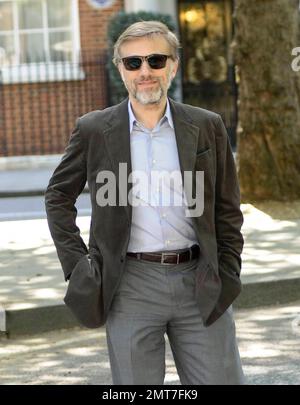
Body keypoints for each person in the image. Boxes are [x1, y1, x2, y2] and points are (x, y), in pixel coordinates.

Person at [45, 21, 245, 385]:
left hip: (199, 279)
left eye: (155, 60)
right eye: (133, 62)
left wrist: (227, 268)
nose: (145, 71)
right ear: (120, 69)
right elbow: (58, 196)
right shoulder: (94, 129)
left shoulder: (207, 125)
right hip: (129, 285)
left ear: (173, 65)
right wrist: (78, 266)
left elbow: (228, 206)